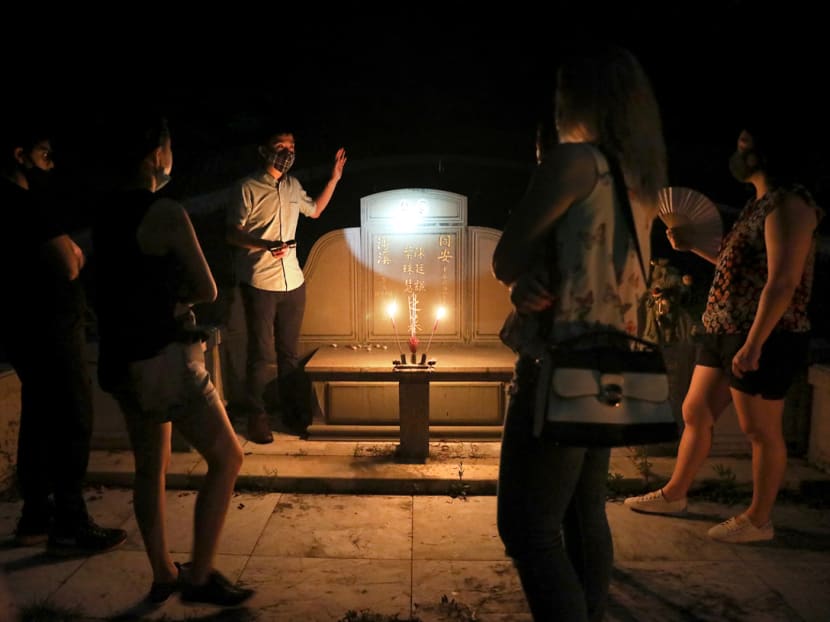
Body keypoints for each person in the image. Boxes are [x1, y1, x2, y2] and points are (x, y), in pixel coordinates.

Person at [492, 43, 668, 621]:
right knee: (583, 513)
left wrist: (524, 277)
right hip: (613, 362)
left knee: (528, 530)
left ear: (577, 97)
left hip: (559, 365)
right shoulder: (635, 177)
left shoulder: (572, 162)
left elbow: (505, 258)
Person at [624, 119, 824, 544]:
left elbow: (783, 282)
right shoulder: (759, 203)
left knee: (760, 430)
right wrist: (692, 247)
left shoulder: (790, 205)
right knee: (696, 411)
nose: (736, 153)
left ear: (765, 153)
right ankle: (675, 493)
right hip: (722, 325)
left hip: (764, 333)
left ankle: (758, 519)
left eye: (744, 145)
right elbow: (741, 271)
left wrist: (755, 343)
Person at [91, 114, 253, 606]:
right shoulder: (164, 211)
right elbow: (205, 286)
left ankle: (163, 572)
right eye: (170, 147)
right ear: (156, 154)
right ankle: (200, 577)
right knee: (227, 457)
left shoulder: (106, 212)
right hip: (163, 358)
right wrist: (176, 301)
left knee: (149, 467)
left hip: (121, 359)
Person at [0, 119, 127, 556]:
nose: (51, 164)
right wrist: (71, 252)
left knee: (37, 419)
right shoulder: (28, 202)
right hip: (51, 328)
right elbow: (70, 262)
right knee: (74, 419)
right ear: (20, 156)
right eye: (44, 155)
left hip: (21, 329)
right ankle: (71, 523)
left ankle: (35, 517)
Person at [226, 126, 347, 444]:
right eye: (280, 146)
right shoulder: (247, 187)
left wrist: (334, 178)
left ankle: (293, 415)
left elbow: (316, 211)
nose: (287, 152)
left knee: (289, 354)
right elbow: (232, 233)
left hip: (293, 281)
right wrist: (264, 244)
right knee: (260, 353)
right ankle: (257, 417)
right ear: (265, 151)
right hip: (260, 282)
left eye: (291, 146)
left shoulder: (293, 186)